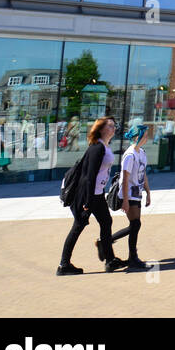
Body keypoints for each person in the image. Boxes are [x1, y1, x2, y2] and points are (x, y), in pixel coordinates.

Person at [58, 117, 123, 275]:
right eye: (110, 126)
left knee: (106, 222)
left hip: (97, 194)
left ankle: (110, 260)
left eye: (114, 126)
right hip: (87, 195)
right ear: (101, 129)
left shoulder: (105, 146)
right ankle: (63, 265)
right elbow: (89, 176)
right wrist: (87, 201)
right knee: (78, 226)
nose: (113, 128)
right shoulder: (97, 147)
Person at [111, 123, 154, 271]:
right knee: (135, 225)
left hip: (137, 193)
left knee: (135, 225)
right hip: (129, 194)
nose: (147, 137)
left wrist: (148, 192)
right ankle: (132, 257)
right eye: (145, 135)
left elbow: (143, 174)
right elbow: (124, 178)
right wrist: (125, 201)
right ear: (138, 137)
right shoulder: (130, 155)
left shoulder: (141, 152)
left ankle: (109, 243)